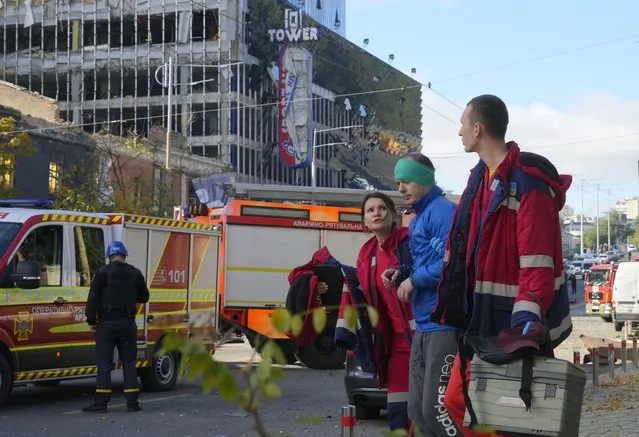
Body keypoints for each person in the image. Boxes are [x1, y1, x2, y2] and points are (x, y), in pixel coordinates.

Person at [430, 94, 573, 436]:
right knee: (459, 401)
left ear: (478, 128)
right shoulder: (479, 179)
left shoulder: (527, 182)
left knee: (503, 414)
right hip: (480, 320)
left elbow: (538, 261)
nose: (460, 132)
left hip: (512, 324)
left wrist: (526, 319)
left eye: (462, 124)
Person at [382, 153, 459, 437]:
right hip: (424, 323)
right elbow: (426, 260)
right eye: (398, 182)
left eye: (407, 181)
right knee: (416, 411)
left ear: (425, 180)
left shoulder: (442, 212)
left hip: (443, 324)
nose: (401, 188)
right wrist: (402, 272)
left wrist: (414, 280)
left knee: (436, 411)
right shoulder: (417, 218)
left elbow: (453, 263)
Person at [334, 192, 415, 431]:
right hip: (395, 343)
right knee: (398, 410)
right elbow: (358, 291)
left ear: (392, 214)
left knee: (428, 408)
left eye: (382, 208)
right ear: (365, 221)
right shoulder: (366, 253)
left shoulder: (409, 241)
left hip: (423, 336)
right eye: (370, 210)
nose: (376, 213)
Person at [83, 241, 150, 413]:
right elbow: (144, 296)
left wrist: (91, 321)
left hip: (107, 323)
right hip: (128, 323)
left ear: (110, 256)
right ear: (124, 255)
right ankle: (132, 403)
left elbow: (93, 300)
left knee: (104, 362)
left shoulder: (102, 273)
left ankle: (101, 403)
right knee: (129, 362)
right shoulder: (135, 273)